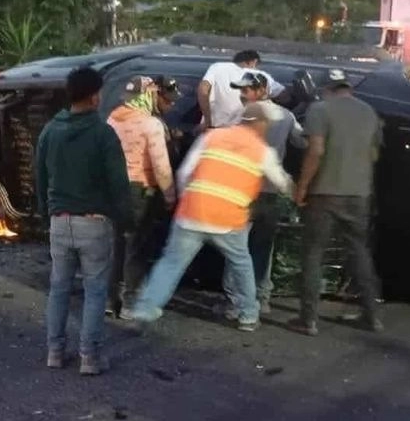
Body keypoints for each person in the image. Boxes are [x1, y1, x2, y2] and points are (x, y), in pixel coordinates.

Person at [124, 102, 293, 332]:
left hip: (192, 213)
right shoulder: (262, 151)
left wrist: (185, 200)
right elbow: (282, 183)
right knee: (242, 264)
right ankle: (248, 316)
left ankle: (145, 309)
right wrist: (298, 192)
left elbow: (184, 173)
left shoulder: (213, 137)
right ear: (261, 124)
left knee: (171, 263)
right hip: (228, 220)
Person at [35, 66, 133, 376]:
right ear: (94, 96)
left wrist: (44, 213)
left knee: (59, 288)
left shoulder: (50, 130)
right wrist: (125, 218)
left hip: (59, 221)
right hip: (94, 223)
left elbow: (40, 178)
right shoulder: (103, 134)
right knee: (94, 291)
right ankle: (89, 357)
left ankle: (55, 351)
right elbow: (118, 183)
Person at [291, 69, 383, 336]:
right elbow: (374, 153)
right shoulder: (369, 112)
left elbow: (316, 150)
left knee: (313, 253)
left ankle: (308, 320)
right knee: (359, 252)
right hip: (359, 193)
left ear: (326, 89)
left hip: (325, 193)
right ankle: (372, 316)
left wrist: (303, 186)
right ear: (348, 87)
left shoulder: (320, 109)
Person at [232, 71, 306, 314]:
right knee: (263, 248)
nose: (242, 95)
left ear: (261, 90)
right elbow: (302, 143)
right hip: (271, 191)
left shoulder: (240, 117)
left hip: (243, 191)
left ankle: (238, 303)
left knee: (236, 248)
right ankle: (262, 298)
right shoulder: (286, 116)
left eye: (246, 90)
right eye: (241, 90)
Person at [106, 75, 177, 316]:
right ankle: (131, 304)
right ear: (148, 95)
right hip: (138, 191)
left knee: (116, 244)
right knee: (135, 247)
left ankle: (110, 300)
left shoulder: (112, 119)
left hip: (113, 189)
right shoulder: (151, 125)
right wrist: (170, 196)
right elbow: (161, 166)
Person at [196, 50, 287, 131]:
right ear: (254, 62)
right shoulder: (259, 76)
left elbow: (203, 90)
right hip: (244, 132)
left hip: (212, 130)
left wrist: (207, 121)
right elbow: (284, 96)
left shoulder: (217, 67)